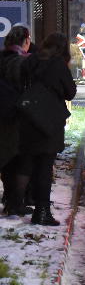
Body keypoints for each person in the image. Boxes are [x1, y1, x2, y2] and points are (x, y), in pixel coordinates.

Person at [15, 33, 76, 225]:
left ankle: (16, 201)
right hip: (48, 121)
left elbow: (20, 84)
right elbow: (70, 92)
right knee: (44, 167)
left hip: (28, 118)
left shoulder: (30, 60)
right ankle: (42, 212)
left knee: (27, 162)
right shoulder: (58, 64)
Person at [1, 25, 32, 215]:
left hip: (1, 117)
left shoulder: (1, 57)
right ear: (26, 41)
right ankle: (16, 203)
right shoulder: (23, 62)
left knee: (6, 159)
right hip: (17, 118)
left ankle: (9, 198)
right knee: (22, 161)